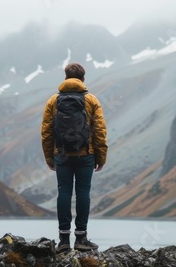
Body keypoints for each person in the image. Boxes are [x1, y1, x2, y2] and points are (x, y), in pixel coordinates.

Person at [41, 62, 108, 253]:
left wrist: (49, 158)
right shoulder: (92, 100)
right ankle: (81, 238)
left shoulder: (53, 101)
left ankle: (63, 240)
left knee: (63, 193)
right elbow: (100, 131)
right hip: (86, 155)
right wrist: (100, 157)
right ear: (83, 79)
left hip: (61, 155)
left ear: (65, 77)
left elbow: (46, 132)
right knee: (83, 193)